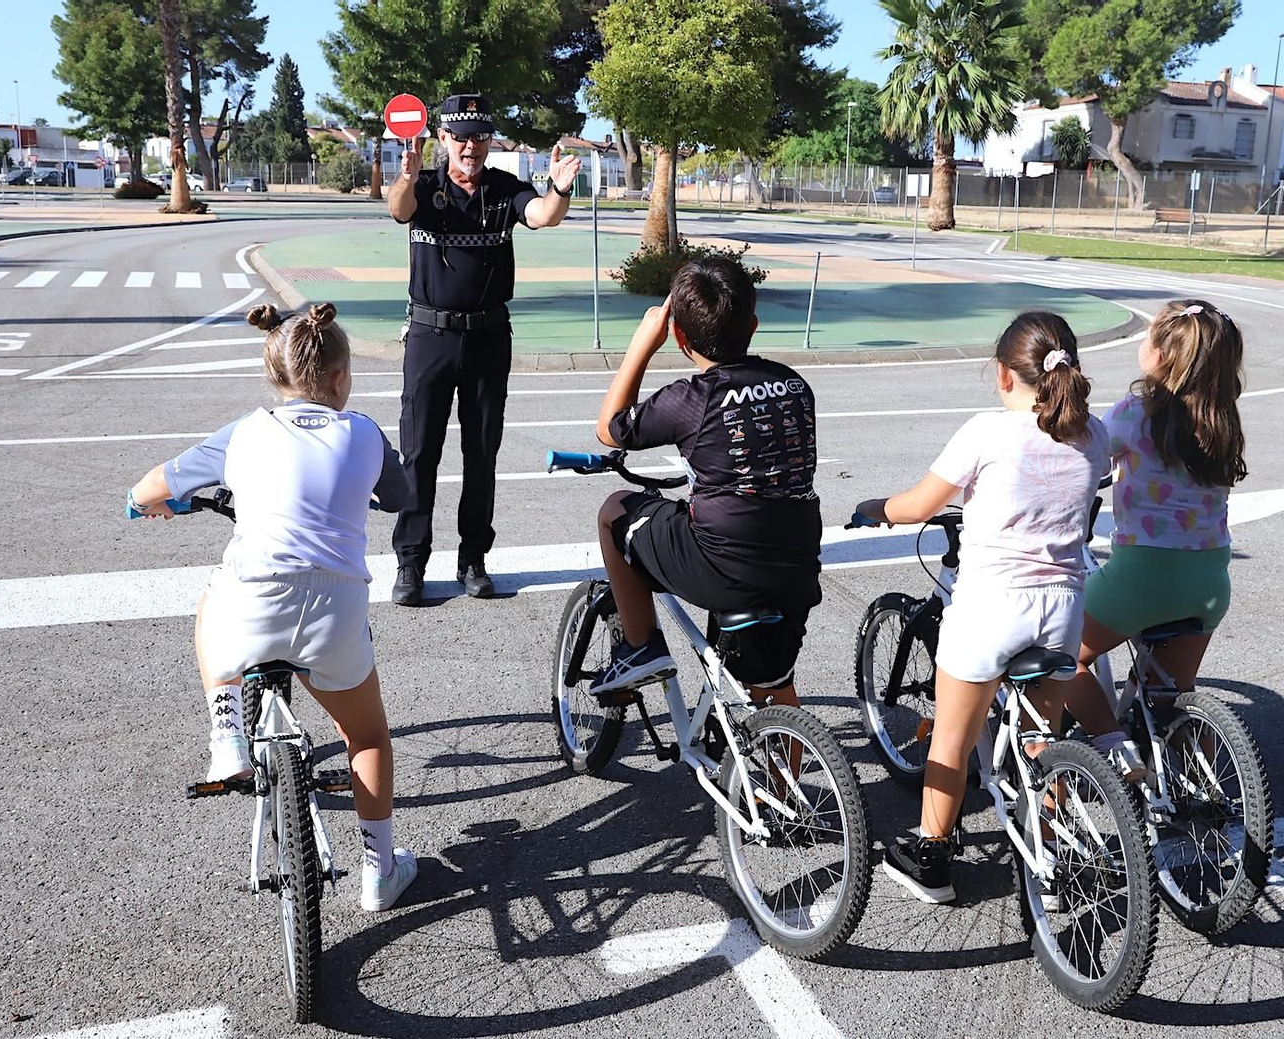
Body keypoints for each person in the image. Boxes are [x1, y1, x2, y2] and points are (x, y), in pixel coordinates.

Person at [126, 303, 419, 912]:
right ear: (341, 377)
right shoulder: (363, 431)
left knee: (212, 604)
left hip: (254, 605)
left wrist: (143, 503)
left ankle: (226, 735)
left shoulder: (246, 431)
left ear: (273, 375)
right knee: (365, 735)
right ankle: (378, 872)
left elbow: (154, 487)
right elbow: (400, 495)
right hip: (335, 613)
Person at [855, 312, 1109, 905]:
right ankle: (1053, 864)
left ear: (1003, 375)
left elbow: (919, 505)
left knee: (951, 739)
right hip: (1062, 608)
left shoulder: (987, 433)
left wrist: (877, 508)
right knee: (1045, 740)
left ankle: (932, 859)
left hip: (992, 605)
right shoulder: (1093, 435)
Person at [590, 256, 821, 707]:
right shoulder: (795, 385)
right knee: (773, 686)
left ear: (678, 335)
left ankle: (640, 648)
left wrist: (642, 345)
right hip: (796, 564)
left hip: (724, 568)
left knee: (615, 509)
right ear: (753, 325)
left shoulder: (690, 399)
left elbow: (609, 428)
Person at [386, 94, 582, 606]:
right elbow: (398, 209)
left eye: (478, 136)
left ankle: (473, 559)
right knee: (419, 453)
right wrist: (406, 176)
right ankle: (411, 563)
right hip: (430, 337)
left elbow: (543, 215)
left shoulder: (504, 189)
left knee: (481, 456)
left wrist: (559, 188)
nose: (469, 146)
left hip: (489, 339)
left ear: (489, 141)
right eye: (459, 136)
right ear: (442, 140)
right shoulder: (424, 186)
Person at [1059, 299, 1247, 782]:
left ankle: (1112, 745)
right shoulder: (1222, 423)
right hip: (1208, 579)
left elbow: (1086, 458)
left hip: (1143, 576)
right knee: (1170, 692)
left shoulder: (1132, 414)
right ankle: (1206, 788)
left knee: (1061, 659)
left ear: (1160, 356)